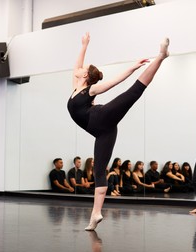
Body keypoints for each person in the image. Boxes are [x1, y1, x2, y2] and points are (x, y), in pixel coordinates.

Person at [67, 32, 169, 230]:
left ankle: (160, 57)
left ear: (86, 75)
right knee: (99, 171)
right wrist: (84, 44)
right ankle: (95, 214)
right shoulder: (75, 87)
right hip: (103, 132)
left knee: (132, 93)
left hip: (102, 117)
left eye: (83, 68)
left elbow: (114, 82)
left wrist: (132, 66)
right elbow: (76, 65)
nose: (79, 68)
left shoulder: (90, 90)